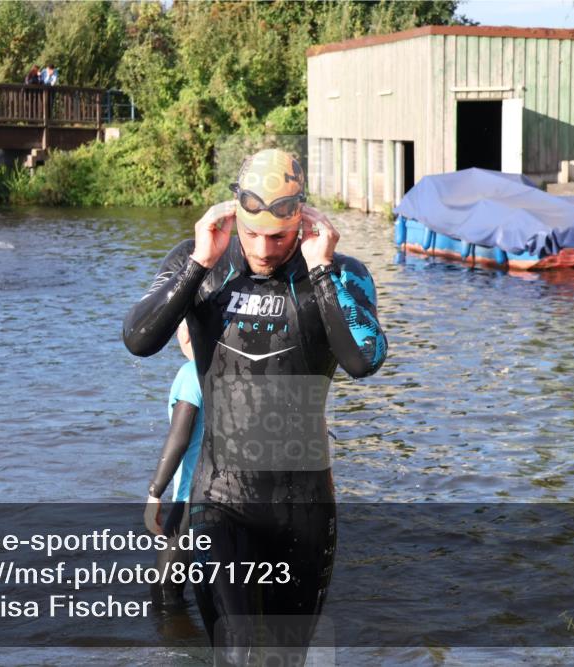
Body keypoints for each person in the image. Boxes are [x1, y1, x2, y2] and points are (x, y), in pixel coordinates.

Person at [123, 148, 387, 665]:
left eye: (280, 236)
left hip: (305, 506)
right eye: (253, 234)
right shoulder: (199, 261)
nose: (265, 249)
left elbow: (363, 361)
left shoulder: (339, 273)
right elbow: (138, 338)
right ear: (234, 216)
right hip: (220, 498)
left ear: (303, 222)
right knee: (238, 653)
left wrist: (323, 271)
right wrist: (199, 262)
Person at [144, 321, 205, 609]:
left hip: (194, 498)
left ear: (188, 334)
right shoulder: (239, 370)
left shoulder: (192, 373)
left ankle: (181, 652)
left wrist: (154, 493)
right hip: (243, 495)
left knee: (165, 596)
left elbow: (178, 439)